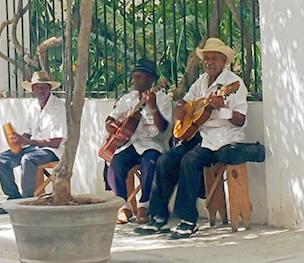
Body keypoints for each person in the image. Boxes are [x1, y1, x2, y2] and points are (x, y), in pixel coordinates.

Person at [135, 37, 248, 238]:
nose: (209, 62)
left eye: (213, 58)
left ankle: (188, 220)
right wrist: (180, 110)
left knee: (189, 161)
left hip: (221, 139)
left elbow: (240, 120)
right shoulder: (202, 81)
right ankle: (158, 216)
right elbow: (185, 102)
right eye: (206, 58)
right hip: (197, 135)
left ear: (223, 61)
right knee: (165, 160)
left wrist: (222, 108)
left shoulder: (234, 84)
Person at [105, 58, 173, 224]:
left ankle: (144, 206)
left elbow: (163, 128)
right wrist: (110, 126)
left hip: (152, 143)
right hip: (129, 143)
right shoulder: (128, 98)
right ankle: (123, 206)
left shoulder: (162, 99)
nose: (135, 80)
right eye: (134, 76)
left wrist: (153, 106)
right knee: (115, 165)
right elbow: (111, 118)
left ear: (151, 79)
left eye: (140, 77)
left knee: (150, 164)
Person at [0, 71, 67, 215]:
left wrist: (27, 141)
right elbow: (28, 132)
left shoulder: (59, 107)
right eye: (37, 87)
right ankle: (13, 198)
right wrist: (18, 138)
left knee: (28, 159)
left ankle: (26, 201)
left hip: (52, 151)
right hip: (33, 147)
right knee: (1, 159)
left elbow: (56, 141)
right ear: (32, 90)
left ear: (49, 88)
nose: (41, 90)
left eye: (44, 87)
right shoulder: (33, 106)